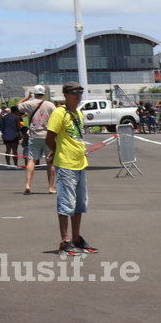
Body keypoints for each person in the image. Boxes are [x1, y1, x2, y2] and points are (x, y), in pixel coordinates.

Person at [47, 81, 96, 256]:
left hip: (80, 164)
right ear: (66, 95)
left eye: (80, 91)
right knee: (66, 204)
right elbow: (49, 138)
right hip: (66, 164)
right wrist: (57, 151)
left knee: (79, 205)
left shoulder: (78, 114)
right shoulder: (59, 113)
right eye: (74, 92)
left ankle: (76, 238)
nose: (78, 95)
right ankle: (65, 240)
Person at [20, 85, 57, 195]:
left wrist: (27, 97)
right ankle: (51, 187)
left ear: (34, 93)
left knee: (31, 160)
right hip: (48, 135)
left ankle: (28, 185)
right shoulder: (50, 104)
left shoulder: (30, 104)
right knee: (50, 162)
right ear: (44, 93)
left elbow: (18, 106)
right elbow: (57, 117)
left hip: (34, 135)